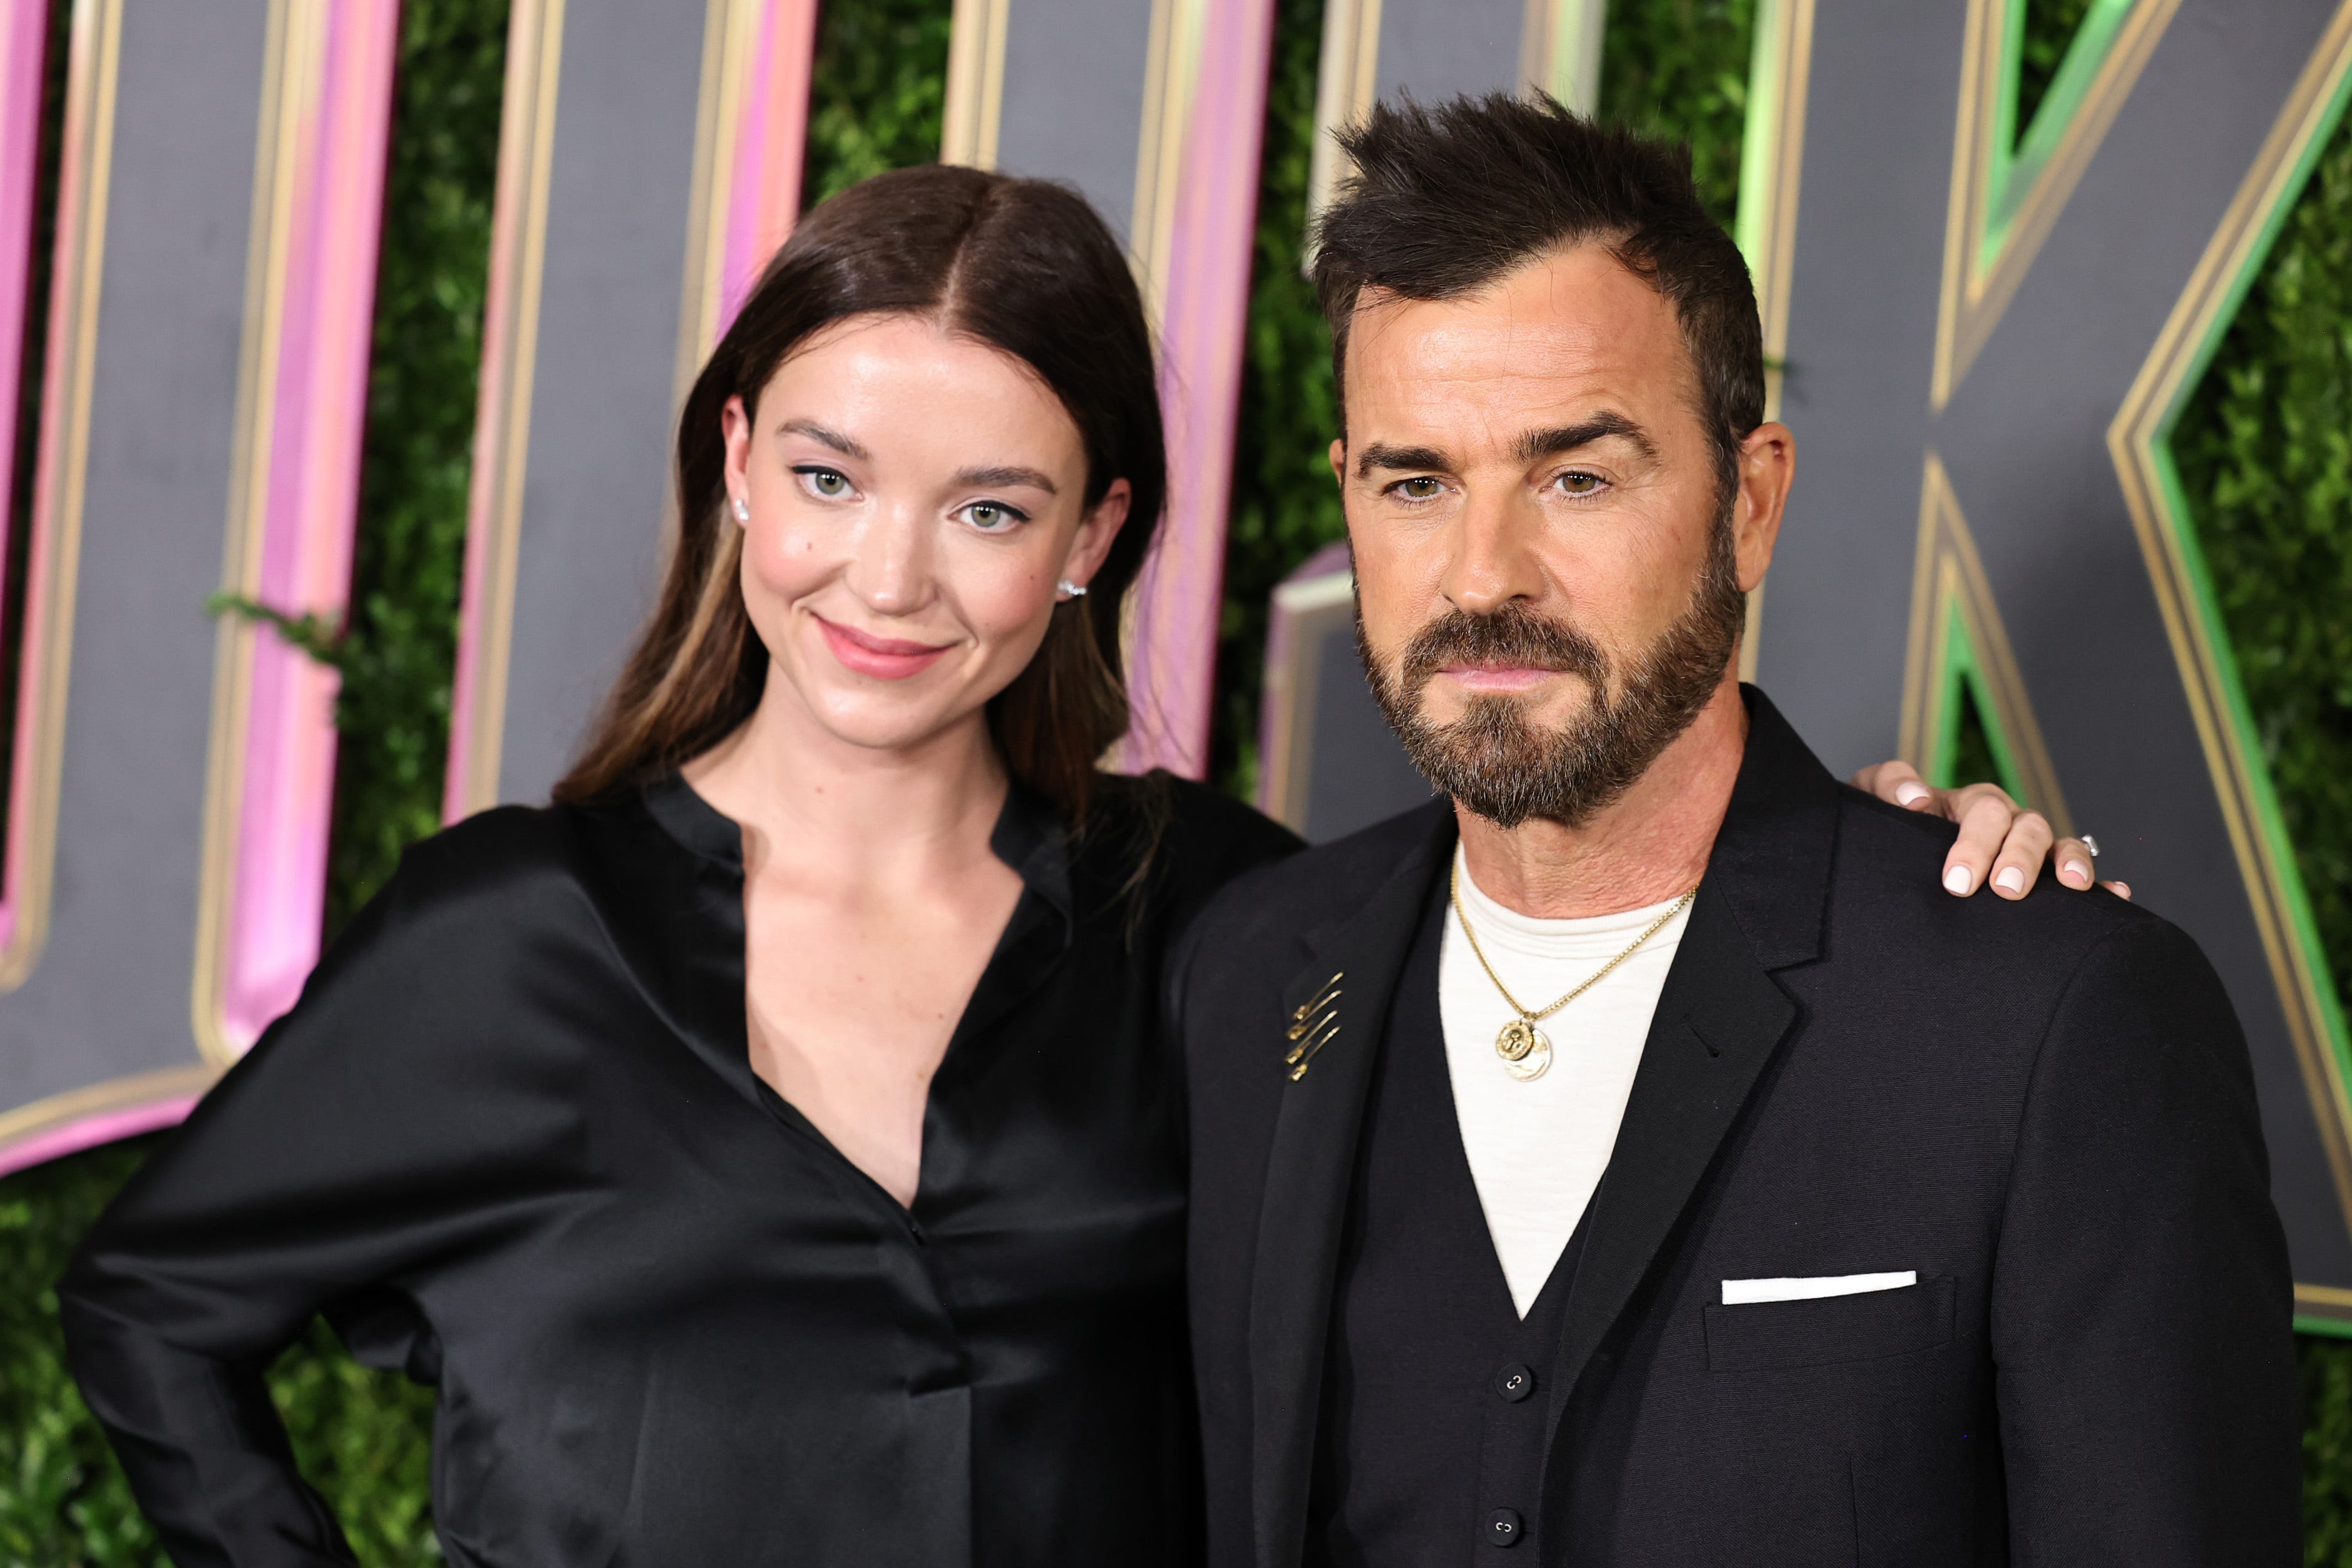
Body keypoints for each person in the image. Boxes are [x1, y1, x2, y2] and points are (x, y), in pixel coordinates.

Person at [60, 163, 2073, 1567]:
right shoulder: (512, 930)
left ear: (1096, 531)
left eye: (989, 506)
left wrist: (1895, 869)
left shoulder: (1231, 924)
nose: (885, 577)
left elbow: (1606, 1039)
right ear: (739, 460)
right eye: (829, 477)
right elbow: (151, 1301)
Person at [1175, 96, 2299, 1568]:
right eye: (1416, 481)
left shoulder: (2049, 1016)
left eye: (1575, 474)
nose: (1482, 571)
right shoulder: (1248, 977)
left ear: (1748, 500)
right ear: (1347, 499)